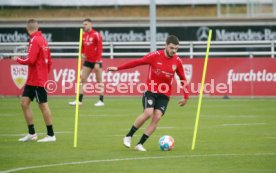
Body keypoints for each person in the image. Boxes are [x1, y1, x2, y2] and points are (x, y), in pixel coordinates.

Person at [107, 35, 189, 151]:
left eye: (176, 48)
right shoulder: (155, 56)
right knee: (148, 112)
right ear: (165, 46)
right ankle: (128, 136)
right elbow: (137, 62)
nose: (174, 51)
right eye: (171, 48)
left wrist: (186, 96)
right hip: (151, 90)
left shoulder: (177, 61)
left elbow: (182, 78)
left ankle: (140, 144)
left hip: (165, 94)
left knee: (157, 117)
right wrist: (118, 68)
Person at [15, 19, 56, 142]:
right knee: (24, 103)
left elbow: (31, 60)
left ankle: (51, 135)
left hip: (37, 80)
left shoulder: (34, 40)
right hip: (33, 79)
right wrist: (45, 74)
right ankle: (32, 133)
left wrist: (18, 59)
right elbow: (50, 61)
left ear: (27, 29)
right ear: (37, 27)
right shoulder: (43, 40)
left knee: (43, 105)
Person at [69, 18, 104, 107]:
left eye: (86, 24)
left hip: (96, 61)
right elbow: (82, 46)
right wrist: (82, 53)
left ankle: (101, 100)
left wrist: (97, 61)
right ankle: (79, 100)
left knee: (99, 80)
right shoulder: (83, 35)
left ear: (90, 24)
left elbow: (100, 48)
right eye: (83, 24)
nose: (84, 26)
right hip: (88, 61)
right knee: (83, 79)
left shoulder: (96, 34)